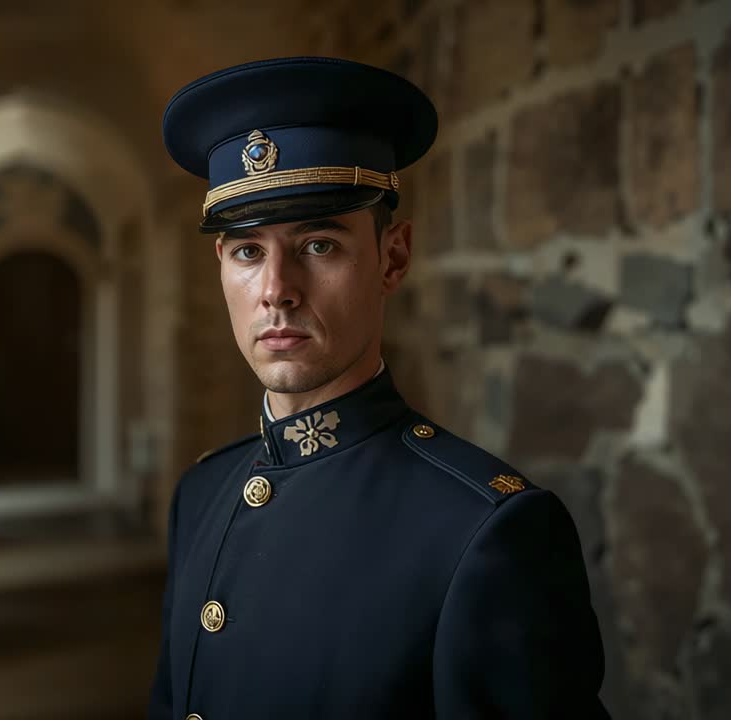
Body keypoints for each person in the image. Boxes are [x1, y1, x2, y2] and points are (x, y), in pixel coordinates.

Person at [149, 57, 609, 719]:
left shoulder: (484, 532)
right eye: (249, 250)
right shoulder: (200, 494)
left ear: (392, 258)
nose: (276, 289)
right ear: (222, 265)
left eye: (318, 245)